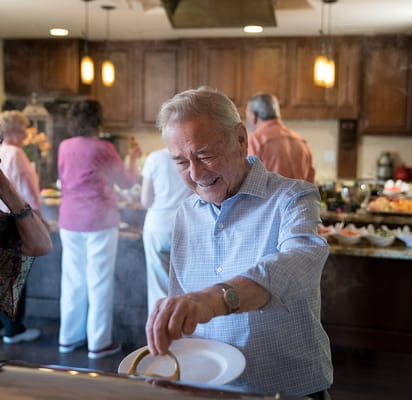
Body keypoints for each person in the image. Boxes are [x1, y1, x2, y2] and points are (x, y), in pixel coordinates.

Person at [145, 87, 332, 398]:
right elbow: (184, 307)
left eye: (204, 154)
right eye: (180, 162)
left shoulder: (292, 197)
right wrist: (171, 356)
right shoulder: (185, 214)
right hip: (208, 386)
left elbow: (301, 262)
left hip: (286, 389)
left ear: (241, 139)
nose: (195, 173)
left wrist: (214, 299)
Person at [57, 100, 142, 359]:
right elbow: (126, 183)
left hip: (69, 220)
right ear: (97, 121)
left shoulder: (64, 146)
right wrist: (134, 159)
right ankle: (98, 343)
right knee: (99, 281)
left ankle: (68, 339)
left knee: (73, 281)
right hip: (98, 221)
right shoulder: (103, 148)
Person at [0, 110, 49, 344]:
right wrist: (38, 217)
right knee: (17, 278)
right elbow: (28, 189)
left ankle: (7, 326)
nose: (25, 134)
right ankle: (13, 328)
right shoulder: (17, 153)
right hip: (17, 219)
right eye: (21, 129)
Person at [141, 146, 192, 315]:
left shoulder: (154, 158)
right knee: (186, 284)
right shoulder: (191, 158)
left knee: (159, 288)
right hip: (186, 226)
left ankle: (159, 334)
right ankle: (184, 334)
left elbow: (145, 200)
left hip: (157, 227)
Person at [246, 92, 315, 183]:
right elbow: (310, 182)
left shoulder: (255, 141)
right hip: (300, 197)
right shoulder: (301, 141)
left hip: (269, 197)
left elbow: (248, 183)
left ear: (253, 116)